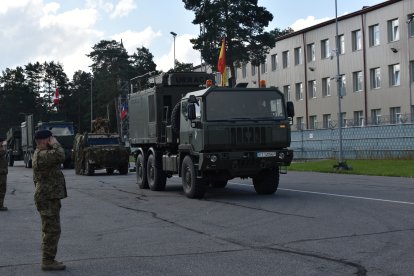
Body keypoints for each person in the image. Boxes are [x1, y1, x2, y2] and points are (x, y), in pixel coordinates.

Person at [32, 130, 67, 271]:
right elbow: (61, 155)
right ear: (45, 141)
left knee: (50, 229)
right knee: (52, 230)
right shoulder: (42, 155)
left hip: (48, 196)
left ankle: (49, 258)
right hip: (47, 197)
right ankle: (47, 261)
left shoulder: (42, 154)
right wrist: (56, 144)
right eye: (50, 139)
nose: (53, 140)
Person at [0, 138, 8, 211]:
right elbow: (2, 152)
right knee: (2, 190)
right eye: (1, 143)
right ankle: (0, 206)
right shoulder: (1, 150)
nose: (2, 144)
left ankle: (1, 205)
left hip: (2, 173)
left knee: (2, 189)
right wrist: (4, 146)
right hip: (1, 173)